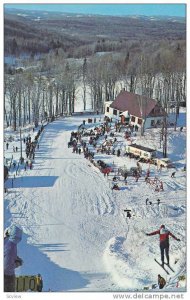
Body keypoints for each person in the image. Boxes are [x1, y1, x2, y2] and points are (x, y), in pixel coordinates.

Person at [4, 225, 23, 292]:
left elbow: (6, 255)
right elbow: (7, 267)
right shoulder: (11, 246)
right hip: (7, 277)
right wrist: (17, 263)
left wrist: (15, 258)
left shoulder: (6, 241)